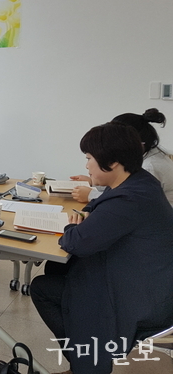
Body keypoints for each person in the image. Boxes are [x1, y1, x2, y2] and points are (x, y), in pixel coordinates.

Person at [30, 122, 173, 374]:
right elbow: (98, 212)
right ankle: (83, 360)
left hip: (137, 297)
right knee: (56, 270)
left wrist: (71, 227)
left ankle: (89, 364)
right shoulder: (140, 182)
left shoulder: (129, 199)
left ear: (113, 162)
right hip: (146, 281)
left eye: (89, 158)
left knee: (43, 288)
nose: (87, 166)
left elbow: (76, 242)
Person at [71, 108, 173, 206]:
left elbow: (131, 199)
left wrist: (91, 195)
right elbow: (121, 185)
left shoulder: (149, 167)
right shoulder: (150, 153)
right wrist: (93, 182)